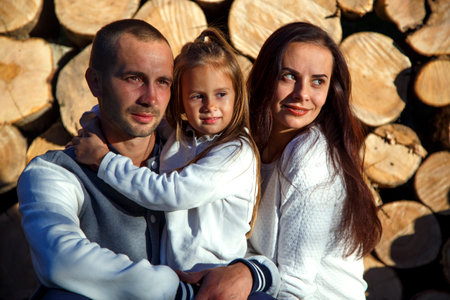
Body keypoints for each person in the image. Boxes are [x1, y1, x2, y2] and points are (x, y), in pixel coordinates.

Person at [17, 19, 277, 300]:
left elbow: (229, 236)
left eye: (163, 82)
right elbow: (61, 259)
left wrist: (251, 271)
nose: (151, 98)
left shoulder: (193, 153)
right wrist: (179, 291)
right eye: (134, 78)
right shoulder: (54, 173)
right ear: (95, 82)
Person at [72, 28, 261, 273]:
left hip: (212, 273)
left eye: (221, 94)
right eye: (197, 96)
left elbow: (170, 193)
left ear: (237, 96)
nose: (210, 106)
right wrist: (91, 126)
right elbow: (130, 115)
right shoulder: (182, 134)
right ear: (180, 99)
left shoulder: (236, 152)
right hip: (174, 277)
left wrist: (103, 160)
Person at [245, 22, 383, 299]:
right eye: (288, 76)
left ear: (331, 91)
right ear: (265, 77)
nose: (302, 94)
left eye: (317, 81)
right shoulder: (249, 146)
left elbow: (293, 288)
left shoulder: (310, 159)